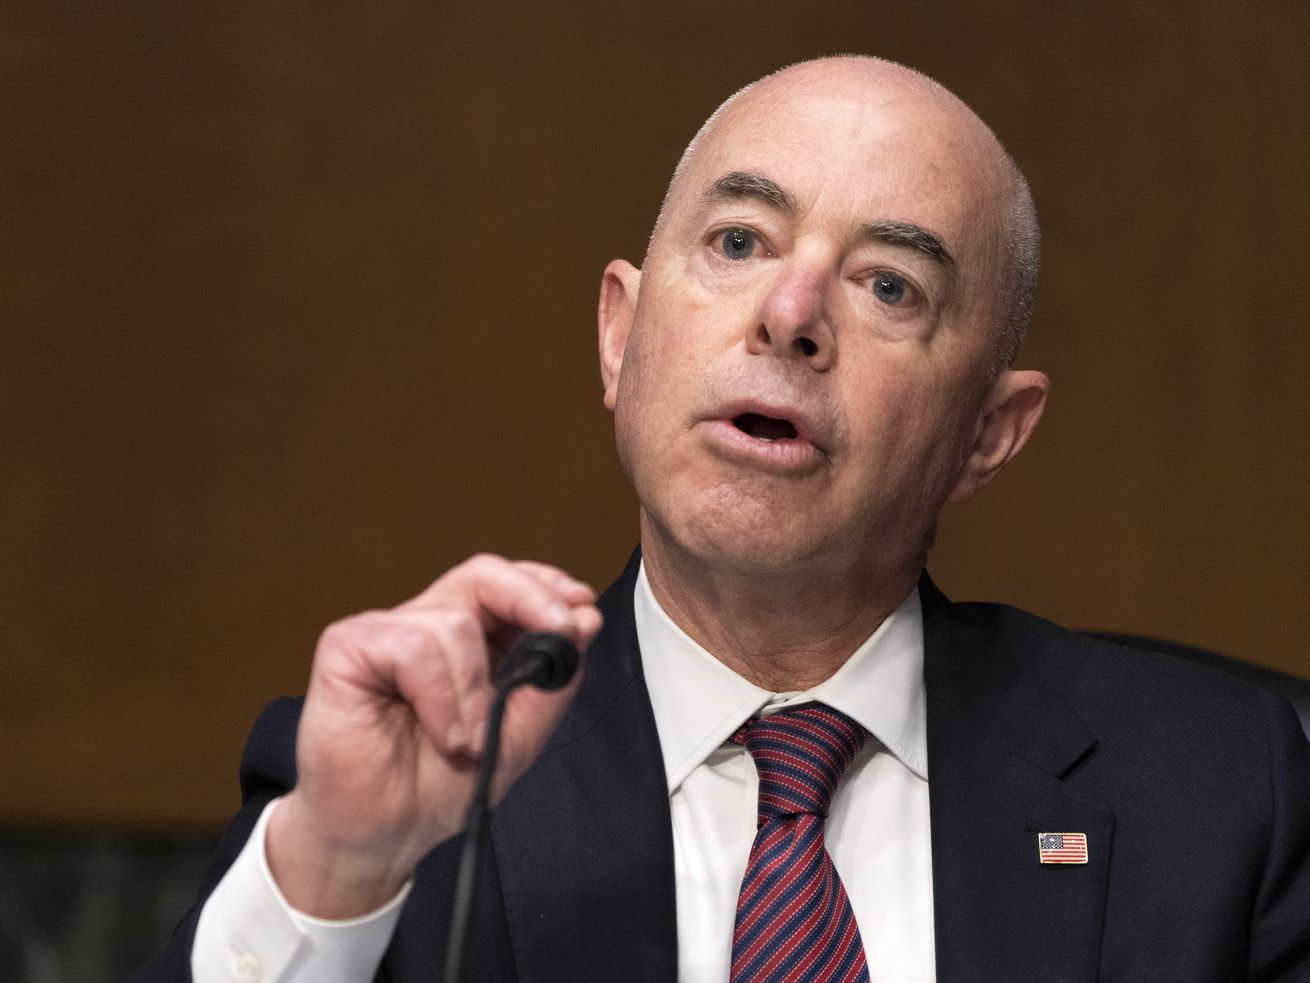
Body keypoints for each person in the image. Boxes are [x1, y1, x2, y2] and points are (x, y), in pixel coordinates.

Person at [135, 56, 1310, 982]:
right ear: (618, 334)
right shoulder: (417, 776)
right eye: (738, 241)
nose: (789, 312)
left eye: (888, 285)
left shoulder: (1219, 790)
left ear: (988, 435)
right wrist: (337, 866)